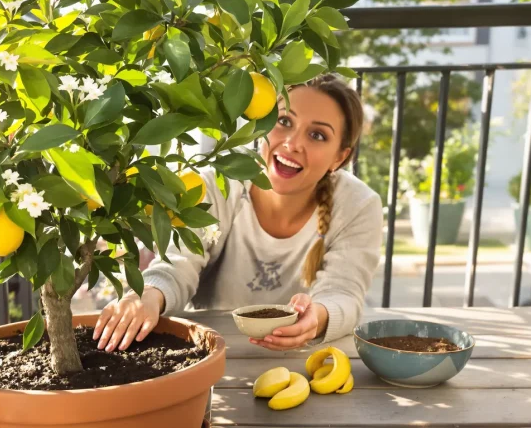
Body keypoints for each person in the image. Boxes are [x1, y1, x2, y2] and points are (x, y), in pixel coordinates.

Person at [93, 74, 383, 353]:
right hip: (213, 351)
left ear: (340, 157)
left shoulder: (358, 205)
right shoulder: (216, 184)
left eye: (317, 135)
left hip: (302, 357)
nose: (293, 143)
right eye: (284, 121)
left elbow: (344, 292)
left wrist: (316, 319)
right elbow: (178, 264)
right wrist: (147, 296)